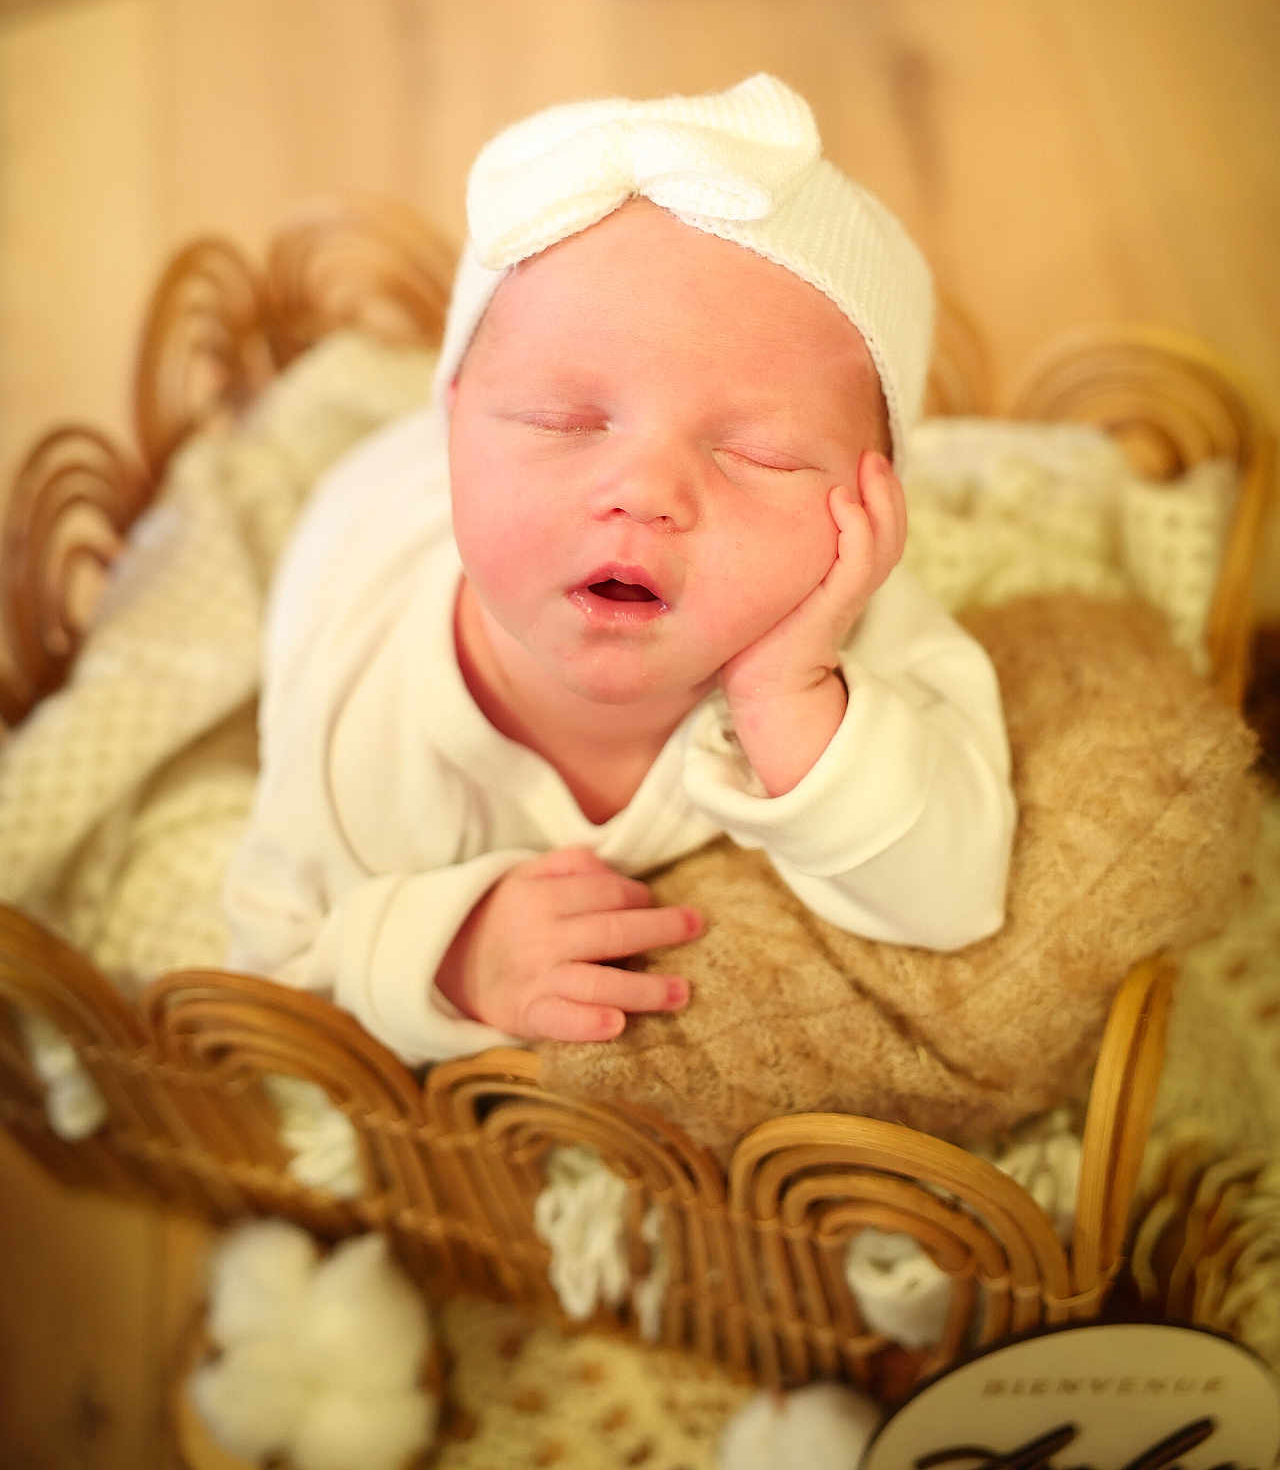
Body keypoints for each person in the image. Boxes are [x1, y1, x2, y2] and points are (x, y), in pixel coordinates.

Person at [223, 74, 1016, 1064]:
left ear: (872, 506)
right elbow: (269, 961)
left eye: (759, 455)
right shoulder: (366, 725)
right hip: (378, 504)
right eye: (562, 422)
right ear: (455, 424)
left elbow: (957, 894)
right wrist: (452, 956)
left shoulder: (849, 630)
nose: (644, 494)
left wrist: (791, 698)